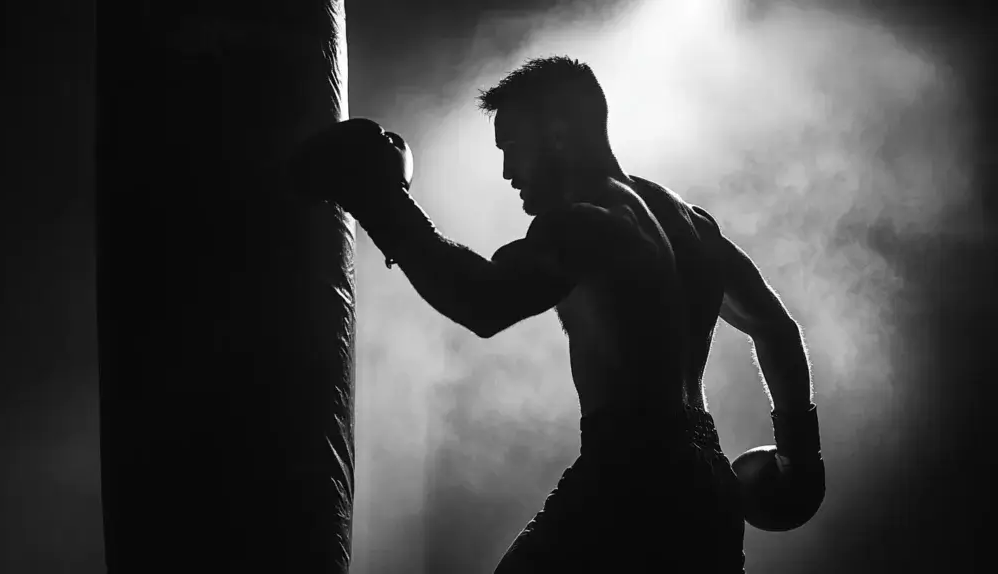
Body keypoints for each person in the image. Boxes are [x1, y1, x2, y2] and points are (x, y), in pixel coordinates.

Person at [292, 56, 824, 573]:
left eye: (513, 148)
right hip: (709, 492)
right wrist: (800, 463)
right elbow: (774, 326)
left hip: (632, 481)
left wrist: (379, 200)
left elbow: (481, 301)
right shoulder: (691, 226)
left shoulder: (591, 222)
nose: (506, 172)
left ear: (561, 134)